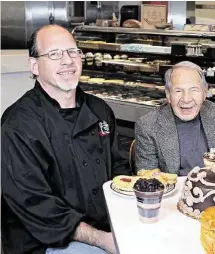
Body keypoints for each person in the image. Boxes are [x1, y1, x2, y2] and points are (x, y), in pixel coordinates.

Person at [1, 25, 131, 254]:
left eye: (72, 51)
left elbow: (118, 168)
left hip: (106, 227)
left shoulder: (100, 110)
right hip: (46, 241)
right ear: (34, 66)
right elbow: (37, 205)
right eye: (54, 54)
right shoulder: (18, 125)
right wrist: (102, 239)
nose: (67, 61)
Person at [135, 61, 215, 175]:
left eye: (194, 90)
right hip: (173, 191)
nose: (186, 99)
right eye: (178, 91)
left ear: (204, 92)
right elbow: (147, 178)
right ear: (168, 95)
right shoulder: (148, 124)